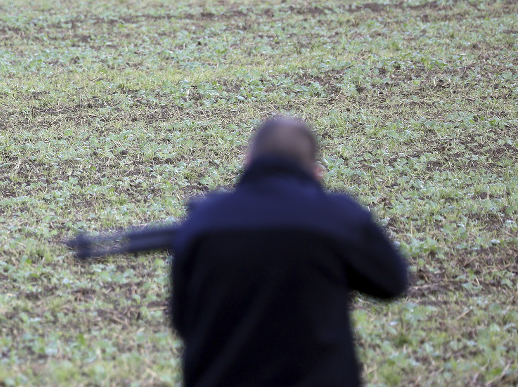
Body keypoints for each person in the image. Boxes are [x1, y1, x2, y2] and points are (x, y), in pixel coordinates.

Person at [170, 116, 409, 387]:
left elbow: (182, 319)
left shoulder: (203, 219)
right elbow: (392, 282)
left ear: (248, 161)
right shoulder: (338, 216)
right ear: (315, 171)